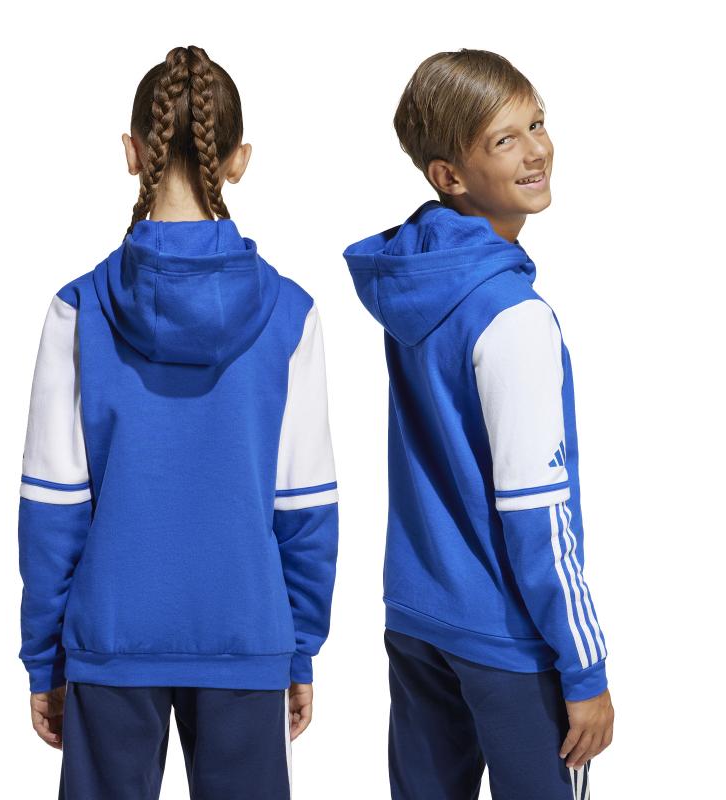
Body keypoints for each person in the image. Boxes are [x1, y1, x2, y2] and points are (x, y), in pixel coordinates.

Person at [17, 45, 339, 800]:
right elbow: (306, 510)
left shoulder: (77, 311)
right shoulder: (292, 316)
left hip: (111, 637)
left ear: (133, 152)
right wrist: (296, 649)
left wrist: (45, 659)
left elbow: (53, 509)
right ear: (240, 160)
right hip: (247, 631)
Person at [343, 49, 614, 799]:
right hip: (510, 641)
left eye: (537, 123)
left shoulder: (419, 283)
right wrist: (584, 667)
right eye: (504, 139)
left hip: (418, 620)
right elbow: (538, 513)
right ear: (449, 175)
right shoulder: (513, 318)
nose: (536, 150)